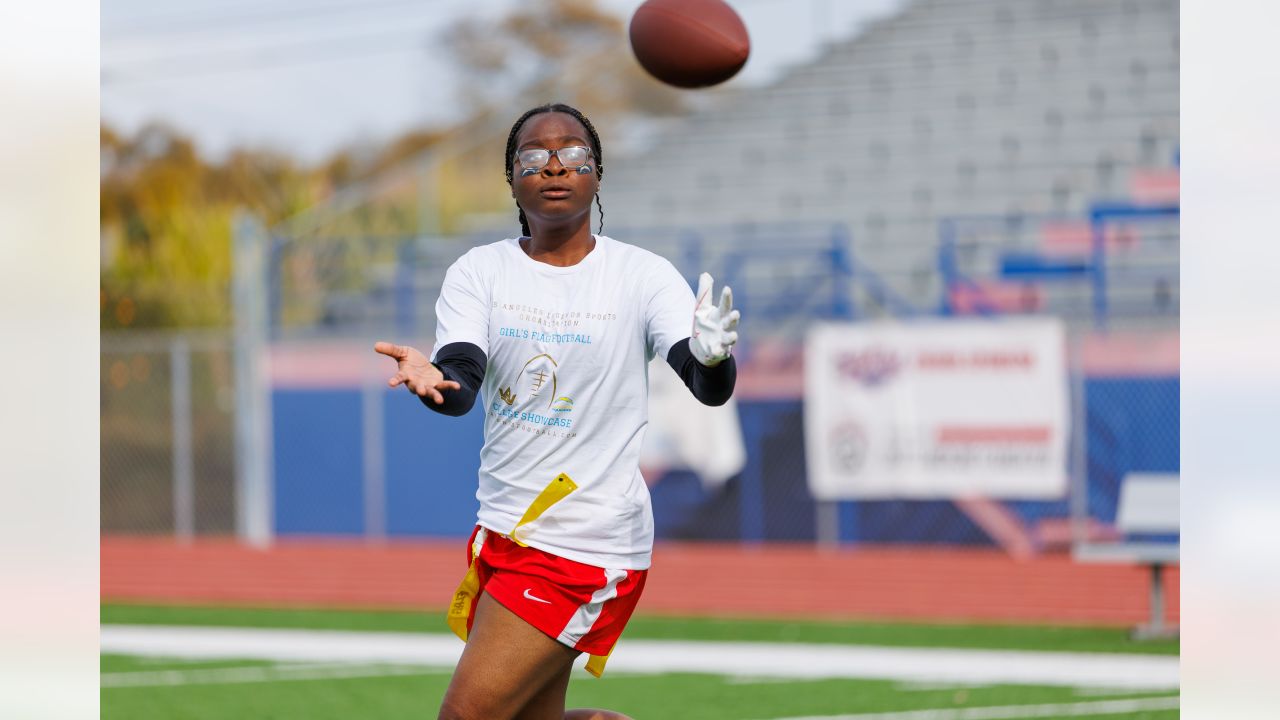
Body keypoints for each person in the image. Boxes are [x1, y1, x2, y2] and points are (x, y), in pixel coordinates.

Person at [374, 102, 740, 720]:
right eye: (533, 157)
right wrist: (434, 379)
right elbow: (461, 383)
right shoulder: (479, 272)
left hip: (586, 541)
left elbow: (708, 386)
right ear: (511, 178)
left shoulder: (642, 276)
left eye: (573, 154)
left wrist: (710, 356)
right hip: (504, 527)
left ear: (597, 174)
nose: (554, 167)